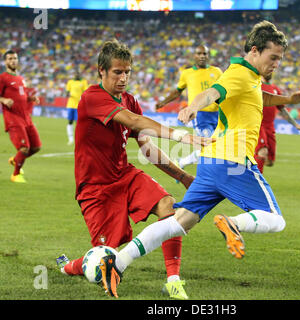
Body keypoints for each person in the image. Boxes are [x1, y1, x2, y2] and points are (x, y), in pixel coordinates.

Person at [98, 21, 300, 299]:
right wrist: (192, 107)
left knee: (178, 222)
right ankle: (233, 222)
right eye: (274, 58)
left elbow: (258, 97)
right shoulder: (237, 74)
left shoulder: (250, 77)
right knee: (274, 219)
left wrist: (290, 100)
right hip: (233, 162)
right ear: (256, 51)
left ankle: (118, 262)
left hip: (211, 162)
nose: (277, 65)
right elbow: (212, 93)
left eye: (280, 60)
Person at [55, 39, 213, 300]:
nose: (123, 77)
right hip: (95, 188)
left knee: (167, 207)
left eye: (127, 71)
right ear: (101, 71)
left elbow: (147, 149)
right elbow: (133, 120)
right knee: (106, 254)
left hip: (124, 175)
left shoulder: (130, 100)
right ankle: (68, 266)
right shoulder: (92, 97)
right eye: (117, 71)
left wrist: (183, 176)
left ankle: (173, 281)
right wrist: (181, 137)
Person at [156, 45, 223, 170]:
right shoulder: (187, 74)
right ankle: (207, 178)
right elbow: (177, 91)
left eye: (205, 53)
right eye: (199, 53)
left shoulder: (217, 71)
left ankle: (181, 162)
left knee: (216, 146)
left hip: (218, 115)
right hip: (200, 115)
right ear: (195, 56)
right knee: (207, 145)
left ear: (208, 56)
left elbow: (224, 90)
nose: (202, 56)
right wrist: (163, 102)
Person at [0, 50, 42, 183]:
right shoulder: (3, 78)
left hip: (26, 117)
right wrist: (4, 100)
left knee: (36, 147)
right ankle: (15, 175)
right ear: (5, 62)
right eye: (10, 59)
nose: (13, 61)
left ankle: (15, 160)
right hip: (13, 117)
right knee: (24, 148)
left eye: (15, 58)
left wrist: (31, 98)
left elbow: (21, 97)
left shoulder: (20, 79)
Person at [255, 74, 300, 173]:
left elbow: (282, 109)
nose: (270, 71)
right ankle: (254, 183)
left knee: (269, 161)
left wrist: (296, 124)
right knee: (262, 152)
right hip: (258, 124)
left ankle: (248, 164)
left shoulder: (275, 89)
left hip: (269, 126)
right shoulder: (256, 85)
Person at [65, 72, 88, 145]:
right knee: (70, 121)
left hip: (79, 105)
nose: (77, 75)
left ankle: (80, 138)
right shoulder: (70, 82)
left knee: (79, 122)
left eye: (78, 74)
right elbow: (67, 92)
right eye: (75, 74)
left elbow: (85, 92)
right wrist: (68, 94)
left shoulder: (83, 82)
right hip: (70, 104)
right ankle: (71, 139)